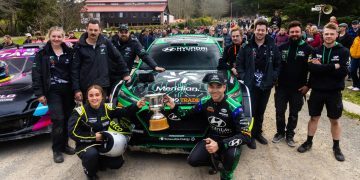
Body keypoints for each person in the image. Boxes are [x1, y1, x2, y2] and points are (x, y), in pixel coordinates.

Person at [164, 73, 252, 180]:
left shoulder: (234, 107)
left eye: (218, 86)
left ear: (224, 87)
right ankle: (215, 162)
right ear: (208, 87)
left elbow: (246, 136)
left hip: (229, 141)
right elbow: (186, 115)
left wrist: (220, 145)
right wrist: (174, 107)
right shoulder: (204, 101)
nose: (214, 90)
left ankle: (226, 173)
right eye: (211, 86)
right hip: (212, 138)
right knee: (193, 160)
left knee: (228, 166)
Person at [68, 84, 146, 179]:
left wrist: (136, 106)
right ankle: (89, 172)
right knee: (91, 155)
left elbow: (124, 112)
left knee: (117, 163)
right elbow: (72, 132)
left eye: (97, 95)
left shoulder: (107, 108)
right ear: (87, 97)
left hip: (104, 141)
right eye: (91, 95)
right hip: (85, 144)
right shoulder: (79, 111)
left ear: (102, 96)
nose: (94, 98)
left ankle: (99, 162)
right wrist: (93, 137)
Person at [297, 23, 349, 162]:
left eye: (332, 34)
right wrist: (333, 67)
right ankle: (309, 142)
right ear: (322, 35)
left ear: (337, 35)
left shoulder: (343, 51)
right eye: (326, 34)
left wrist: (322, 67)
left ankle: (336, 147)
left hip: (334, 91)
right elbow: (312, 70)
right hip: (317, 91)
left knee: (335, 120)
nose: (329, 36)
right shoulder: (316, 50)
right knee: (314, 118)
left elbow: (343, 72)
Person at [32, 26, 76, 163]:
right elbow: (36, 74)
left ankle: (64, 145)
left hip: (68, 91)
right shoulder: (42, 53)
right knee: (58, 119)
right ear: (49, 36)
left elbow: (74, 72)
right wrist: (39, 93)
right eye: (54, 36)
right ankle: (56, 150)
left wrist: (77, 90)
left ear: (63, 37)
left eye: (59, 36)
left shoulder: (69, 51)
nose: (56, 39)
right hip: (53, 92)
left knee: (68, 119)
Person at [235, 18, 281, 149]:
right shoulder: (246, 46)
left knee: (261, 110)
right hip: (251, 85)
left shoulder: (273, 46)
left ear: (267, 31)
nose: (260, 32)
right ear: (254, 30)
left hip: (265, 85)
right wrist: (244, 77)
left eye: (263, 30)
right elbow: (239, 64)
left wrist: (273, 77)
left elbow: (278, 64)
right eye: (258, 29)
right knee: (251, 112)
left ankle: (257, 133)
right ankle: (248, 135)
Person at [273, 21, 313, 147]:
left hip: (298, 88)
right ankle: (280, 132)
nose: (294, 34)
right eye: (292, 32)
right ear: (288, 33)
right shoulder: (281, 47)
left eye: (297, 32)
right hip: (281, 87)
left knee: (294, 114)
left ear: (301, 33)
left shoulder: (309, 49)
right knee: (279, 111)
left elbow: (314, 70)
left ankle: (290, 135)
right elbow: (275, 66)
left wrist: (308, 85)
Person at [71, 19, 130, 102]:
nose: (93, 32)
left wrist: (125, 73)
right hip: (86, 86)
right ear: (86, 29)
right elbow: (75, 69)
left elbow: (118, 57)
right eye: (91, 30)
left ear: (100, 31)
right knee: (88, 113)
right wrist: (76, 89)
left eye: (95, 30)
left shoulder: (105, 43)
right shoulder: (79, 46)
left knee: (102, 111)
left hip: (102, 85)